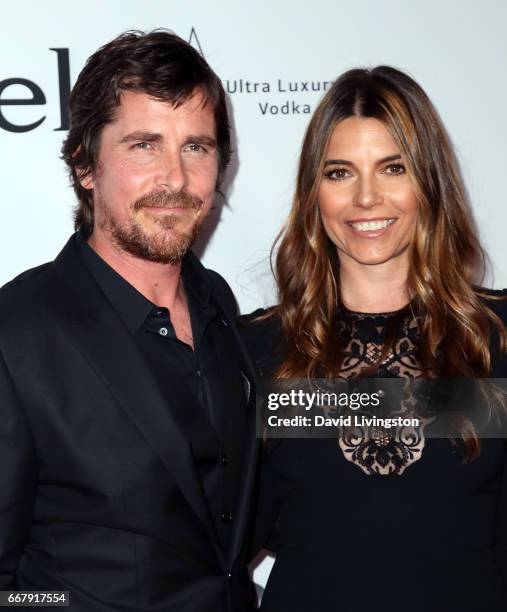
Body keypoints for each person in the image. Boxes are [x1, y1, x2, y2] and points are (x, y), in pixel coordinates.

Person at [0, 30, 258, 612]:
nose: (175, 178)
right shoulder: (15, 335)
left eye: (197, 147)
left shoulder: (218, 303)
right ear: (84, 165)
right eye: (145, 145)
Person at [242, 66, 507, 611]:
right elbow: (228, 536)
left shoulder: (496, 337)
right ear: (314, 192)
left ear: (429, 181)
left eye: (393, 168)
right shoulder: (259, 348)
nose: (366, 197)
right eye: (340, 173)